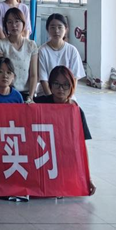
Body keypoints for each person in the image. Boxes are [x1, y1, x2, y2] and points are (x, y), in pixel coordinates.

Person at [33, 65, 97, 196]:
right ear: (50, 85)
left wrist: (87, 178)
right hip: (42, 158)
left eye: (65, 85)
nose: (61, 89)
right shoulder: (39, 104)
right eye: (56, 84)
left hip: (65, 160)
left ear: (71, 86)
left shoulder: (76, 111)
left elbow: (81, 147)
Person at [0, 7, 38, 102]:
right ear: (5, 25)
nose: (14, 25)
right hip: (7, 93)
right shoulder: (1, 44)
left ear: (23, 24)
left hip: (26, 94)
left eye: (17, 21)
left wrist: (30, 97)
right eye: (9, 22)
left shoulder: (31, 45)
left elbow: (33, 75)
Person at [38, 14, 86, 95]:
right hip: (46, 95)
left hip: (67, 95)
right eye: (52, 27)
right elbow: (43, 79)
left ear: (66, 29)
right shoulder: (42, 51)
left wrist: (68, 97)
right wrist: (51, 98)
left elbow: (74, 78)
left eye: (60, 27)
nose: (56, 31)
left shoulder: (72, 50)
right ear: (47, 29)